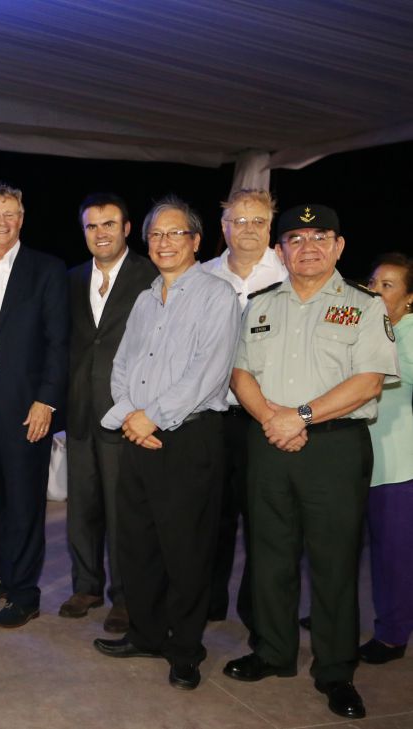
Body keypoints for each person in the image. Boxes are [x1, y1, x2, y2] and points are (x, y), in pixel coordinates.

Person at [222, 205, 398, 720]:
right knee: (269, 554)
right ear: (280, 251)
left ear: (339, 246)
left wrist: (297, 417)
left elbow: (368, 382)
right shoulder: (259, 305)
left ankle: (336, 670)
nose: (308, 247)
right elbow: (240, 373)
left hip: (334, 449)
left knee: (334, 562)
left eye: (320, 237)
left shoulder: (364, 305)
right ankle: (273, 652)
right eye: (295, 239)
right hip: (268, 442)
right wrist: (272, 420)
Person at [93, 196, 240, 692]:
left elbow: (208, 372)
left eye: (175, 233)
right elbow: (122, 364)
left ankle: (186, 650)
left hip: (188, 436)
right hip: (138, 434)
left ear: (195, 241)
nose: (164, 242)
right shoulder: (144, 298)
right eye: (156, 234)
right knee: (138, 545)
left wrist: (151, 417)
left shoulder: (217, 296)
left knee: (185, 550)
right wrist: (131, 416)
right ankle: (146, 634)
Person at [0, 183, 68, 629]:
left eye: (10, 213)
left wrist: (46, 400)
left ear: (21, 219)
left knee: (24, 496)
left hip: (25, 398)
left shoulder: (46, 269)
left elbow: (58, 342)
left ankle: (25, 593)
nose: (2, 222)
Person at [61, 193, 155, 633]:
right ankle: (86, 586)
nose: (100, 233)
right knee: (81, 505)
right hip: (80, 408)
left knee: (124, 511)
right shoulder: (71, 278)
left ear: (127, 228)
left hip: (127, 411)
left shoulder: (149, 276)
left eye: (109, 224)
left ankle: (127, 597)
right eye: (92, 226)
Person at [203, 189, 286, 634]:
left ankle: (258, 618)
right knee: (211, 516)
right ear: (224, 227)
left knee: (263, 521)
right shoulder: (203, 275)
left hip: (266, 418)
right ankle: (208, 604)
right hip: (213, 417)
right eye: (240, 221)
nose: (249, 229)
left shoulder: (291, 273)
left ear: (270, 227)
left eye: (258, 221)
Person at [361, 252, 413, 665]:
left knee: (393, 555)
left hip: (396, 463)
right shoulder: (374, 329)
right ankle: (334, 615)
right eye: (374, 282)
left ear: (409, 298)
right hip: (361, 459)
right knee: (347, 548)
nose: (376, 291)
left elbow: (385, 380)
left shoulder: (408, 333)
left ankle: (393, 636)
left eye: (388, 285)